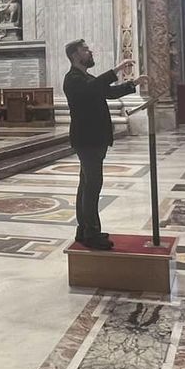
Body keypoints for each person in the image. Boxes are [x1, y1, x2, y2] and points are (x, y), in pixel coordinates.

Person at [62, 39, 147, 250]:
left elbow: (108, 92)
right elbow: (93, 87)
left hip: (93, 139)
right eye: (85, 50)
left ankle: (83, 230)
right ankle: (92, 233)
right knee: (92, 187)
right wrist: (116, 69)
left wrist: (133, 84)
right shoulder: (73, 79)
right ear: (74, 55)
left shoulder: (85, 77)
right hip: (87, 139)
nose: (90, 52)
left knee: (86, 185)